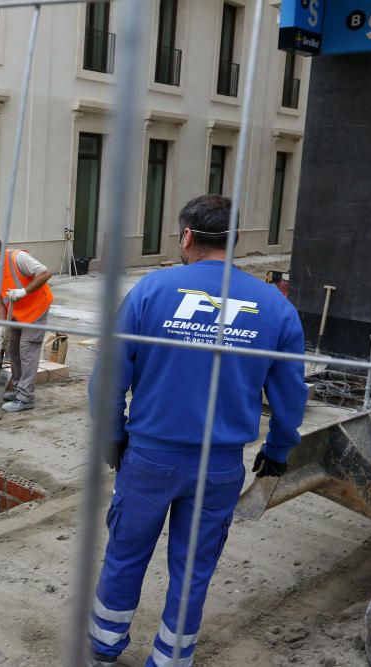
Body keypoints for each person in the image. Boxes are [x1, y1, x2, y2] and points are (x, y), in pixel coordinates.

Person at [87, 195, 308, 667]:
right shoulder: (276, 307)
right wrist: (279, 449)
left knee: (125, 555)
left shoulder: (151, 291)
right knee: (193, 571)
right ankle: (170, 659)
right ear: (236, 239)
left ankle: (103, 651)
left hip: (149, 458)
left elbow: (108, 376)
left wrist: (112, 433)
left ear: (186, 236)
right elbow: (290, 396)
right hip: (220, 465)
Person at [0, 236, 53, 412]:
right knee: (13, 348)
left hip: (36, 310)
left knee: (27, 350)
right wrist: (5, 327)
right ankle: (18, 389)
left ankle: (26, 398)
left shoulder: (18, 258)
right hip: (15, 313)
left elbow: (46, 273)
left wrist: (23, 291)